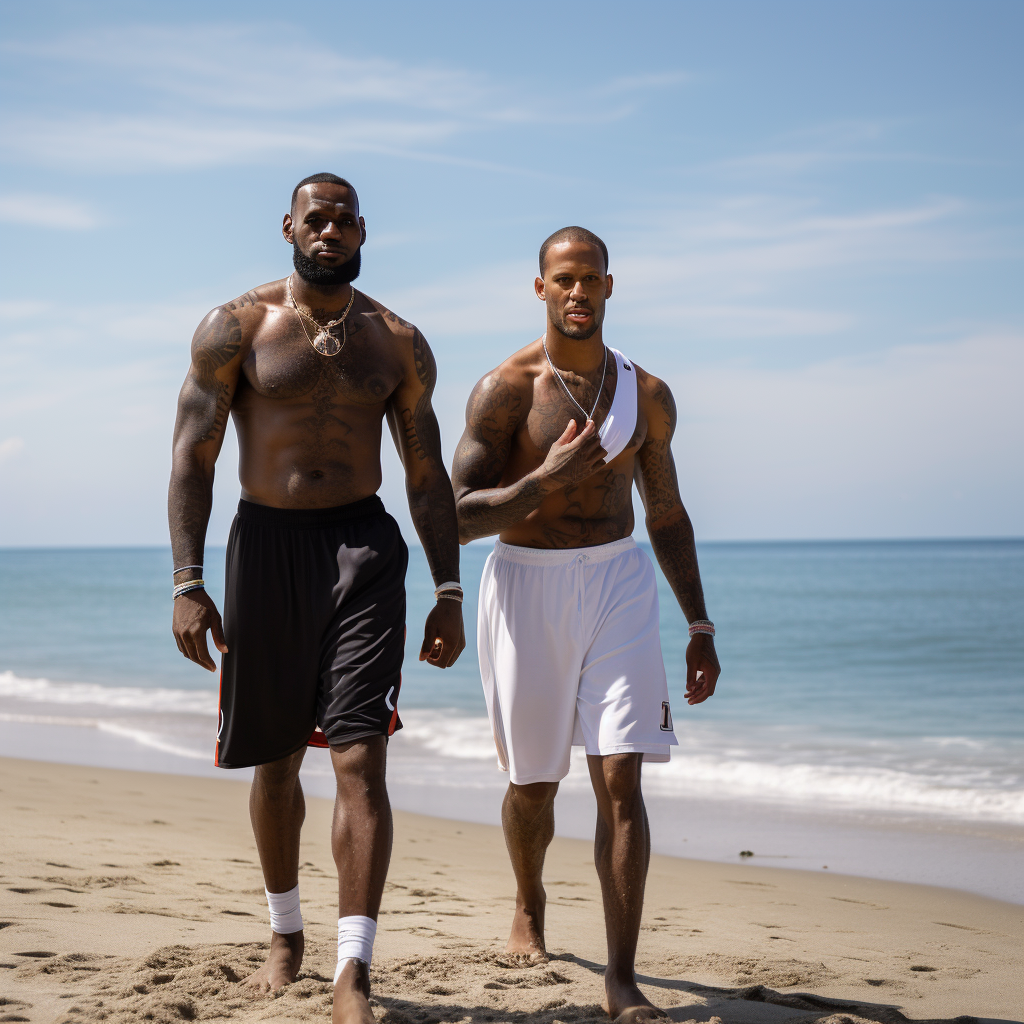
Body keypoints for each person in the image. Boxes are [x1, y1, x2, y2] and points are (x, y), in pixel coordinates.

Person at [168, 172, 465, 1024]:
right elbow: (192, 456)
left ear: (364, 232)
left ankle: (353, 968)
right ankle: (284, 932)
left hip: (365, 548)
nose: (329, 232)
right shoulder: (237, 326)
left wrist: (447, 587)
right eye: (315, 219)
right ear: (288, 227)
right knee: (276, 760)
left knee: (360, 756)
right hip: (266, 546)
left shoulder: (398, 342)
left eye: (343, 221)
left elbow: (425, 473)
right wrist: (188, 582)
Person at [451, 226, 720, 1023]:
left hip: (619, 583)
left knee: (621, 782)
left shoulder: (648, 395)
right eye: (563, 279)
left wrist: (699, 622)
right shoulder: (505, 390)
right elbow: (455, 518)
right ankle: (530, 903)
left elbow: (665, 513)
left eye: (590, 279)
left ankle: (622, 977)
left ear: (610, 287)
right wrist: (542, 482)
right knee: (533, 786)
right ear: (540, 289)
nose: (578, 292)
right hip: (525, 588)